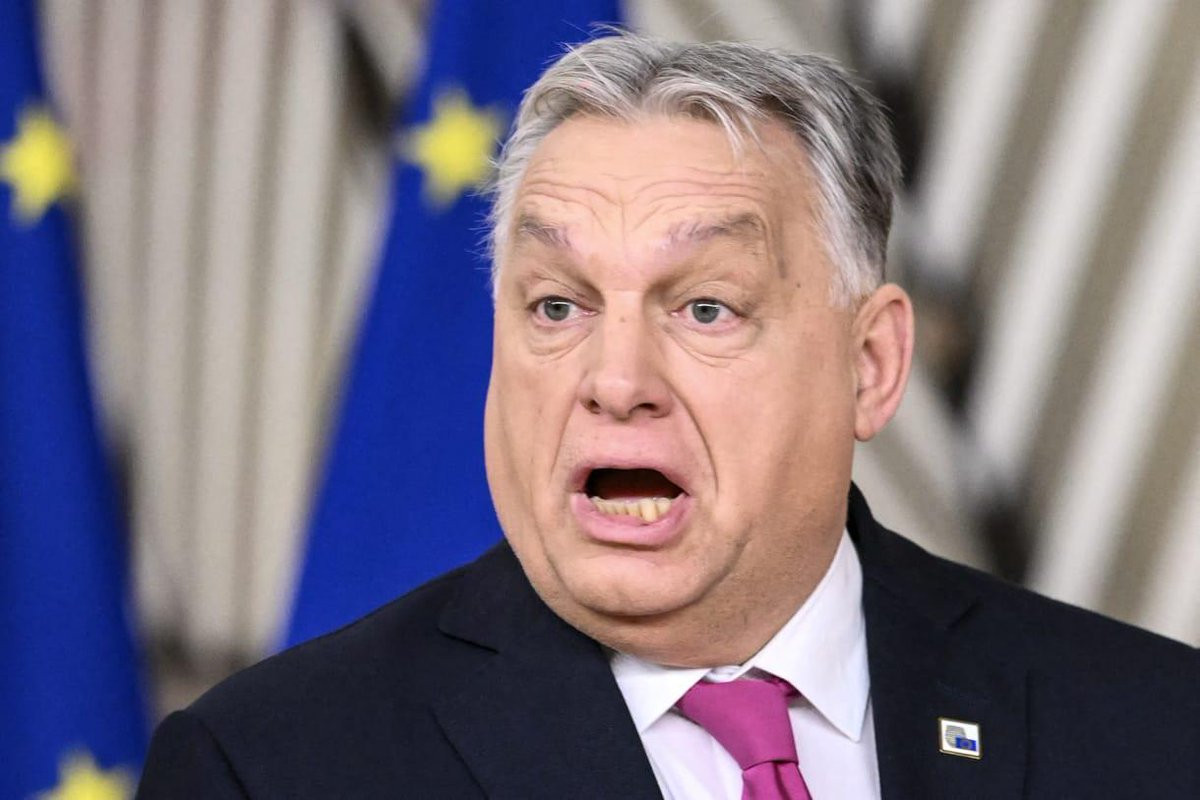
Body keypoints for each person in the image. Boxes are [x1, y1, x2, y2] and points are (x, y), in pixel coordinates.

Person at [137, 34, 1197, 799]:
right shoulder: (272, 768)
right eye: (558, 306)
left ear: (870, 365)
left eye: (704, 308)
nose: (615, 379)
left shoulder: (1157, 730)